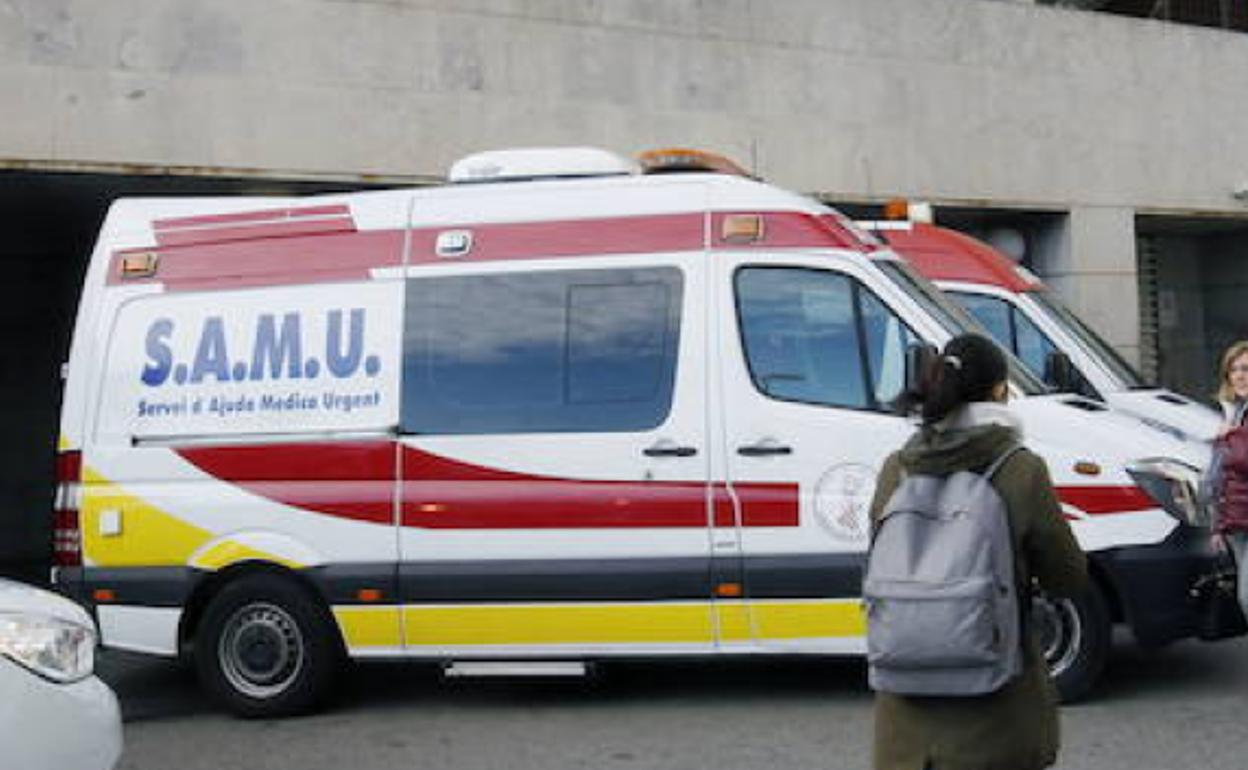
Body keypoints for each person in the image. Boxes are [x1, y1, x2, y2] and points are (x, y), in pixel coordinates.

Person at [868, 334, 1087, 770]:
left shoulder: (898, 467)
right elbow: (1066, 574)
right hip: (997, 715)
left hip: (905, 729)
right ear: (1000, 392)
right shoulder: (1019, 467)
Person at [1211, 340, 1248, 617]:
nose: (1239, 375)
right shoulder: (1233, 414)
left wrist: (1229, 437)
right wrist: (1217, 526)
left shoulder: (1233, 425)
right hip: (1237, 524)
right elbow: (1218, 475)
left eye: (1246, 369)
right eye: (1233, 370)